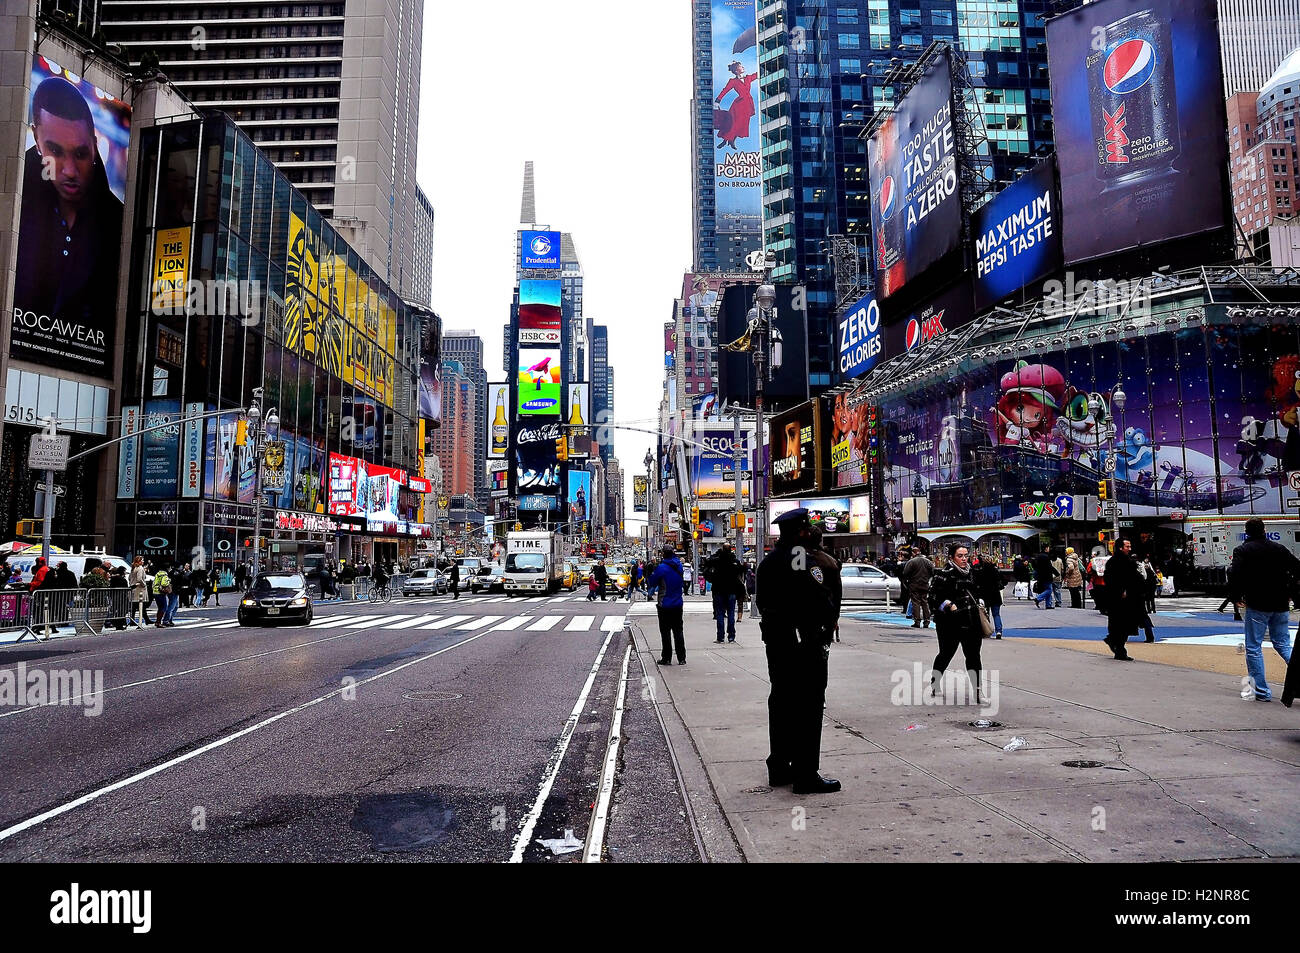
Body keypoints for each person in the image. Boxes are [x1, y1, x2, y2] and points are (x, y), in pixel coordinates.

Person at [13, 76, 125, 360]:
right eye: (55, 152)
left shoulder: (118, 222)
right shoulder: (14, 197)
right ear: (37, 140)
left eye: (80, 153)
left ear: (93, 143)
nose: (70, 170)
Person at [757, 508, 841, 794]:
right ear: (802, 531)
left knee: (780, 701)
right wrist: (826, 626)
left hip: (777, 642)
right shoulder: (800, 560)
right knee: (809, 704)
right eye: (806, 528)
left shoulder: (768, 562)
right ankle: (806, 774)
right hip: (803, 644)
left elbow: (764, 603)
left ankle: (779, 765)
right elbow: (817, 598)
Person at [1228, 517, 1300, 702]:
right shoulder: (1279, 548)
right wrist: (1290, 590)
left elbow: (1234, 574)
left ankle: (1262, 691)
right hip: (1281, 602)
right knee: (1283, 644)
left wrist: (1237, 597)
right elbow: (1297, 568)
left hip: (1257, 602)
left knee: (1253, 647)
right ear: (1264, 529)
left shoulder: (1242, 550)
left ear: (1247, 531)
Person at [928, 543, 988, 701]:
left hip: (971, 621)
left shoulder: (972, 573)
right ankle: (935, 684)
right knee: (945, 654)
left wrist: (981, 600)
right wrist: (947, 604)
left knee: (974, 656)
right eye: (960, 556)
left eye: (965, 555)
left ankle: (977, 690)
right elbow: (932, 597)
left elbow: (979, 590)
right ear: (951, 557)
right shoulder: (943, 573)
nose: (963, 559)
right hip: (950, 623)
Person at [1103, 539, 1142, 660]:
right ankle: (1119, 649)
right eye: (1127, 546)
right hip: (1119, 599)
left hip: (1129, 597)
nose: (1129, 548)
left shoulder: (1128, 561)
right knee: (1120, 624)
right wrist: (1121, 590)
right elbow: (1110, 579)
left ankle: (1115, 644)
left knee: (1124, 625)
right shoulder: (1115, 561)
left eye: (1130, 546)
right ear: (1120, 548)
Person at [648, 545, 686, 665]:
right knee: (678, 631)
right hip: (678, 603)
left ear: (663, 554)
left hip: (665, 605)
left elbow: (652, 582)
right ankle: (681, 658)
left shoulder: (662, 568)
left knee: (665, 632)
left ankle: (667, 657)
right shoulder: (679, 566)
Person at [706, 543, 744, 644]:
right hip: (731, 590)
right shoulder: (734, 561)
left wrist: (711, 579)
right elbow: (741, 572)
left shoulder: (716, 561)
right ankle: (731, 637)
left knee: (720, 614)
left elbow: (706, 568)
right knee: (731, 613)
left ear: (722, 549)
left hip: (718, 590)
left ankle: (720, 637)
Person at [971, 554, 1004, 639]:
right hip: (995, 595)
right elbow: (1002, 580)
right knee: (996, 614)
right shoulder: (994, 569)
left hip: (984, 595)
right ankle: (999, 631)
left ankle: (987, 630)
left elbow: (975, 582)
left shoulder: (979, 569)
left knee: (985, 614)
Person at [899, 547, 934, 628]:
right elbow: (932, 572)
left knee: (916, 603)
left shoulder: (911, 562)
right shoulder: (928, 562)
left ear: (913, 553)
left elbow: (905, 573)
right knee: (925, 602)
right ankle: (927, 621)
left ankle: (917, 621)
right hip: (925, 584)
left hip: (914, 584)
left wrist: (908, 581)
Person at [129, 556, 151, 625]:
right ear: (139, 561)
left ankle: (133, 620)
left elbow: (129, 577)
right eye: (142, 560)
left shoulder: (133, 568)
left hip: (133, 587)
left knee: (134, 606)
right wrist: (144, 584)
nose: (143, 561)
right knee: (141, 605)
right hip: (140, 588)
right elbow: (139, 579)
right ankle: (146, 620)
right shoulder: (140, 568)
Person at [107, 565, 129, 630]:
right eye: (125, 571)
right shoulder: (123, 580)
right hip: (122, 596)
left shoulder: (113, 579)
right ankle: (118, 624)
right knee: (122, 611)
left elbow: (111, 587)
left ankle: (117, 623)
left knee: (115, 610)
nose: (125, 572)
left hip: (114, 596)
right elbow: (126, 588)